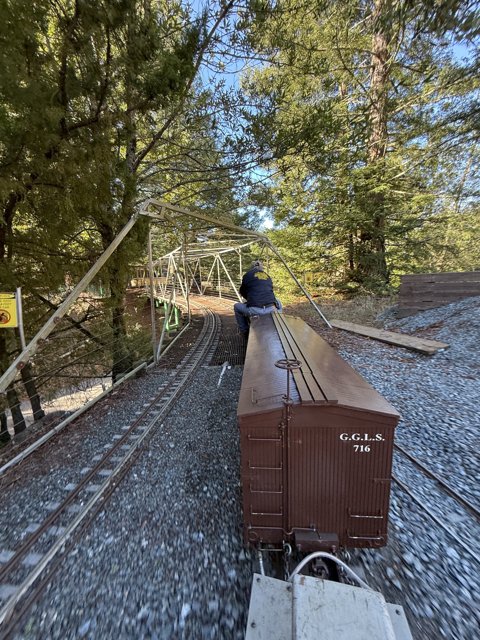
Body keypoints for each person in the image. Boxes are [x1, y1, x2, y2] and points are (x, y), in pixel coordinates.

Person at [234, 260, 282, 337]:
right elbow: (270, 291)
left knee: (236, 306)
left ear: (252, 268)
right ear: (262, 268)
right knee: (278, 301)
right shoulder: (267, 276)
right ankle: (279, 319)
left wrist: (250, 299)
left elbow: (242, 291)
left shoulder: (247, 275)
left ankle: (244, 331)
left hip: (255, 310)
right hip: (271, 309)